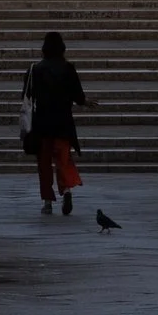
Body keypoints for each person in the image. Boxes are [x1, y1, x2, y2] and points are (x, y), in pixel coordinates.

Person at [25, 29, 89, 215]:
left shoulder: (35, 70)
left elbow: (27, 96)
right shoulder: (68, 68)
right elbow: (78, 95)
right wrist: (85, 102)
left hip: (41, 123)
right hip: (62, 122)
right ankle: (67, 190)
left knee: (44, 164)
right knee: (63, 159)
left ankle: (47, 201)